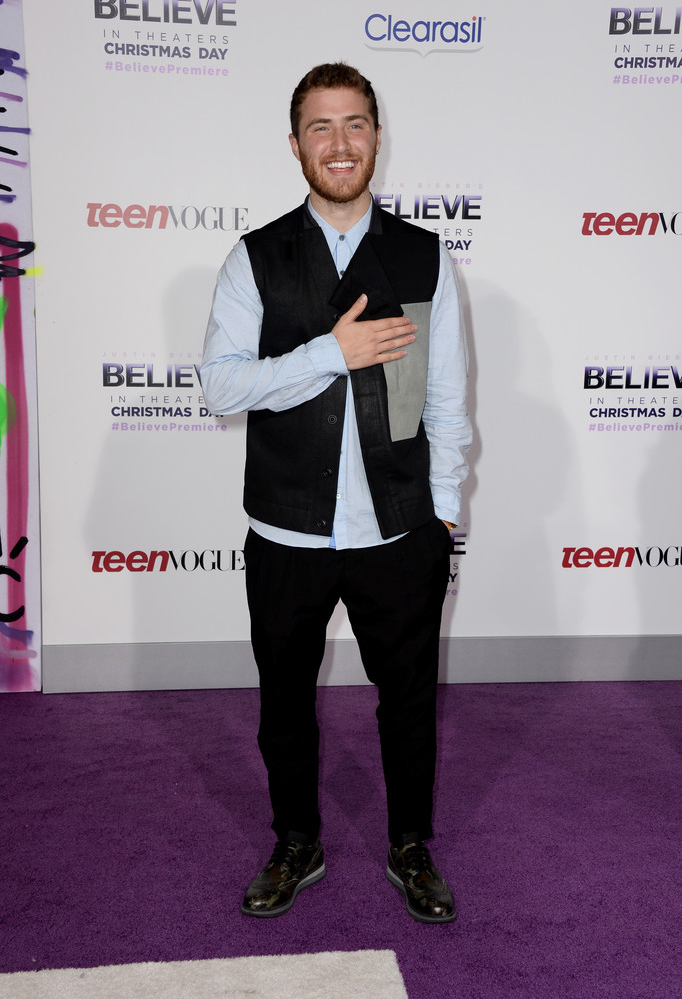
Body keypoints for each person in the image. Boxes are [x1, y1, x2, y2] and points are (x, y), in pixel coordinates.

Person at [200, 61, 472, 924]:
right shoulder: (255, 259)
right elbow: (220, 388)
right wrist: (331, 352)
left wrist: (444, 509)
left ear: (377, 137)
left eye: (354, 123)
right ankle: (296, 841)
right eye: (320, 127)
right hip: (285, 531)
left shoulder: (426, 255)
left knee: (410, 703)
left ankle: (409, 844)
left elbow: (448, 398)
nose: (340, 143)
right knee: (284, 703)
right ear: (295, 145)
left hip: (400, 529)